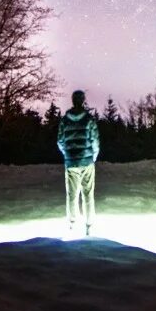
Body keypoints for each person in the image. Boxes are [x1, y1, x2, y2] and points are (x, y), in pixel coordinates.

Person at [56, 89, 100, 235]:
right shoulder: (89, 119)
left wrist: (67, 155)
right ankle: (89, 225)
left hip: (71, 163)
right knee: (88, 194)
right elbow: (95, 140)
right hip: (87, 161)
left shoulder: (65, 120)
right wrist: (93, 156)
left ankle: (72, 224)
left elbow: (60, 141)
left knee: (72, 194)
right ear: (83, 100)